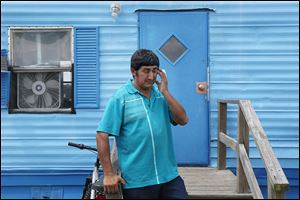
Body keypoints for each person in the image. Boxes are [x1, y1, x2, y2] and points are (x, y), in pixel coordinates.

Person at [96, 49, 189, 199]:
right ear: (133, 71)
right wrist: (108, 174)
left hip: (169, 177)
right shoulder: (120, 98)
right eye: (146, 71)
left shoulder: (161, 95)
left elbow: (183, 120)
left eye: (154, 71)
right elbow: (102, 135)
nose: (151, 76)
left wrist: (165, 91)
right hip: (137, 182)